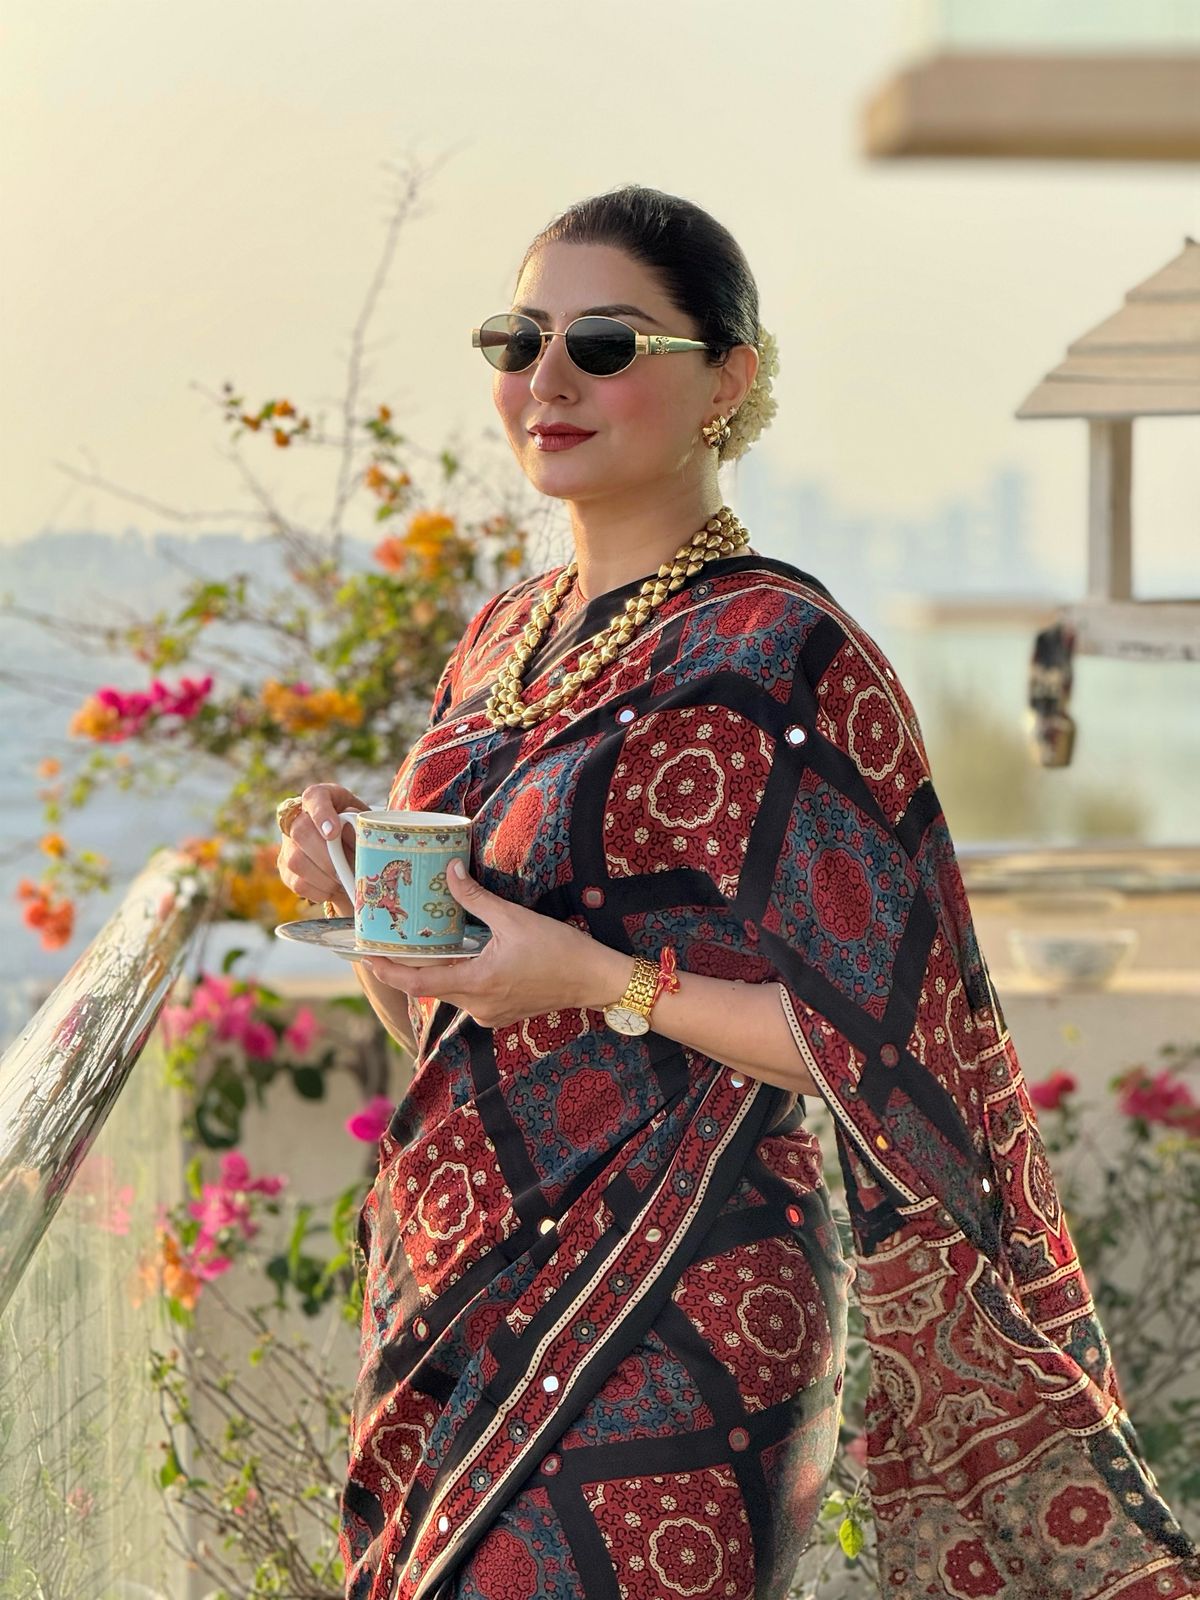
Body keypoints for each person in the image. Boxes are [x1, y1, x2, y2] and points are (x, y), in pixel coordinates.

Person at [275, 186, 1200, 1600]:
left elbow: (894, 1041)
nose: (547, 379)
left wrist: (598, 982)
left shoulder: (790, 655)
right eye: (517, 339)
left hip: (686, 1287)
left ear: (731, 377)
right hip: (457, 1271)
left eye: (604, 341)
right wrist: (362, 901)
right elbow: (446, 1016)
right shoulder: (498, 643)